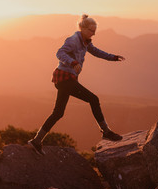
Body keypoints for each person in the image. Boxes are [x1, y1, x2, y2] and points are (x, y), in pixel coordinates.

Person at [28, 14, 125, 154]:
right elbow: (59, 53)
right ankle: (106, 131)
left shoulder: (86, 42)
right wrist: (72, 62)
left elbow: (96, 52)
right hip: (64, 78)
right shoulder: (73, 40)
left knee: (58, 113)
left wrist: (113, 58)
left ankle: (36, 141)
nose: (94, 33)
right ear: (83, 29)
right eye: (91, 30)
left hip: (67, 80)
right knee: (93, 99)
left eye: (95, 30)